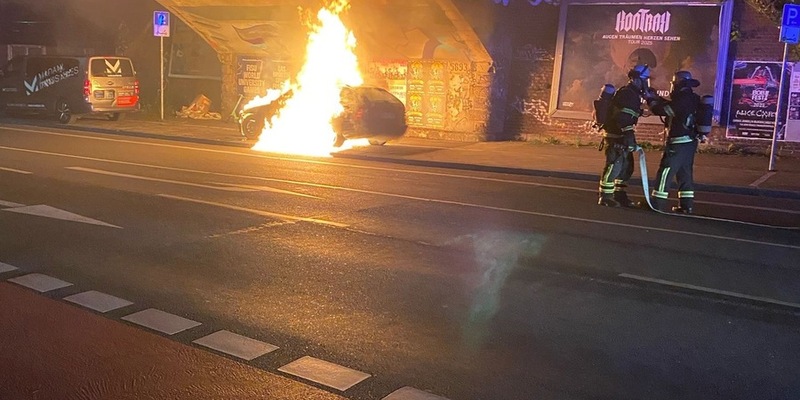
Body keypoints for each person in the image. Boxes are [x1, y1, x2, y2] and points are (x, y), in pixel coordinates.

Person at [646, 70, 703, 213]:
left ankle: (657, 203)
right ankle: (686, 205)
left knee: (665, 171)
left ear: (678, 83)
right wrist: (656, 97)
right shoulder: (691, 98)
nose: (672, 86)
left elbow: (664, 110)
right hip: (689, 142)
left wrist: (650, 100)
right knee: (685, 174)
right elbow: (673, 106)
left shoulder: (682, 99)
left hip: (678, 143)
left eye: (673, 83)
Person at [597, 64, 651, 207]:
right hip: (616, 136)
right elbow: (623, 117)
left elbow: (629, 113)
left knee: (626, 167)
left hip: (622, 136)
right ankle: (605, 197)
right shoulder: (628, 93)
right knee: (614, 166)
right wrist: (629, 136)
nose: (647, 83)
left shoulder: (632, 94)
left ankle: (619, 195)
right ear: (637, 79)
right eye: (645, 79)